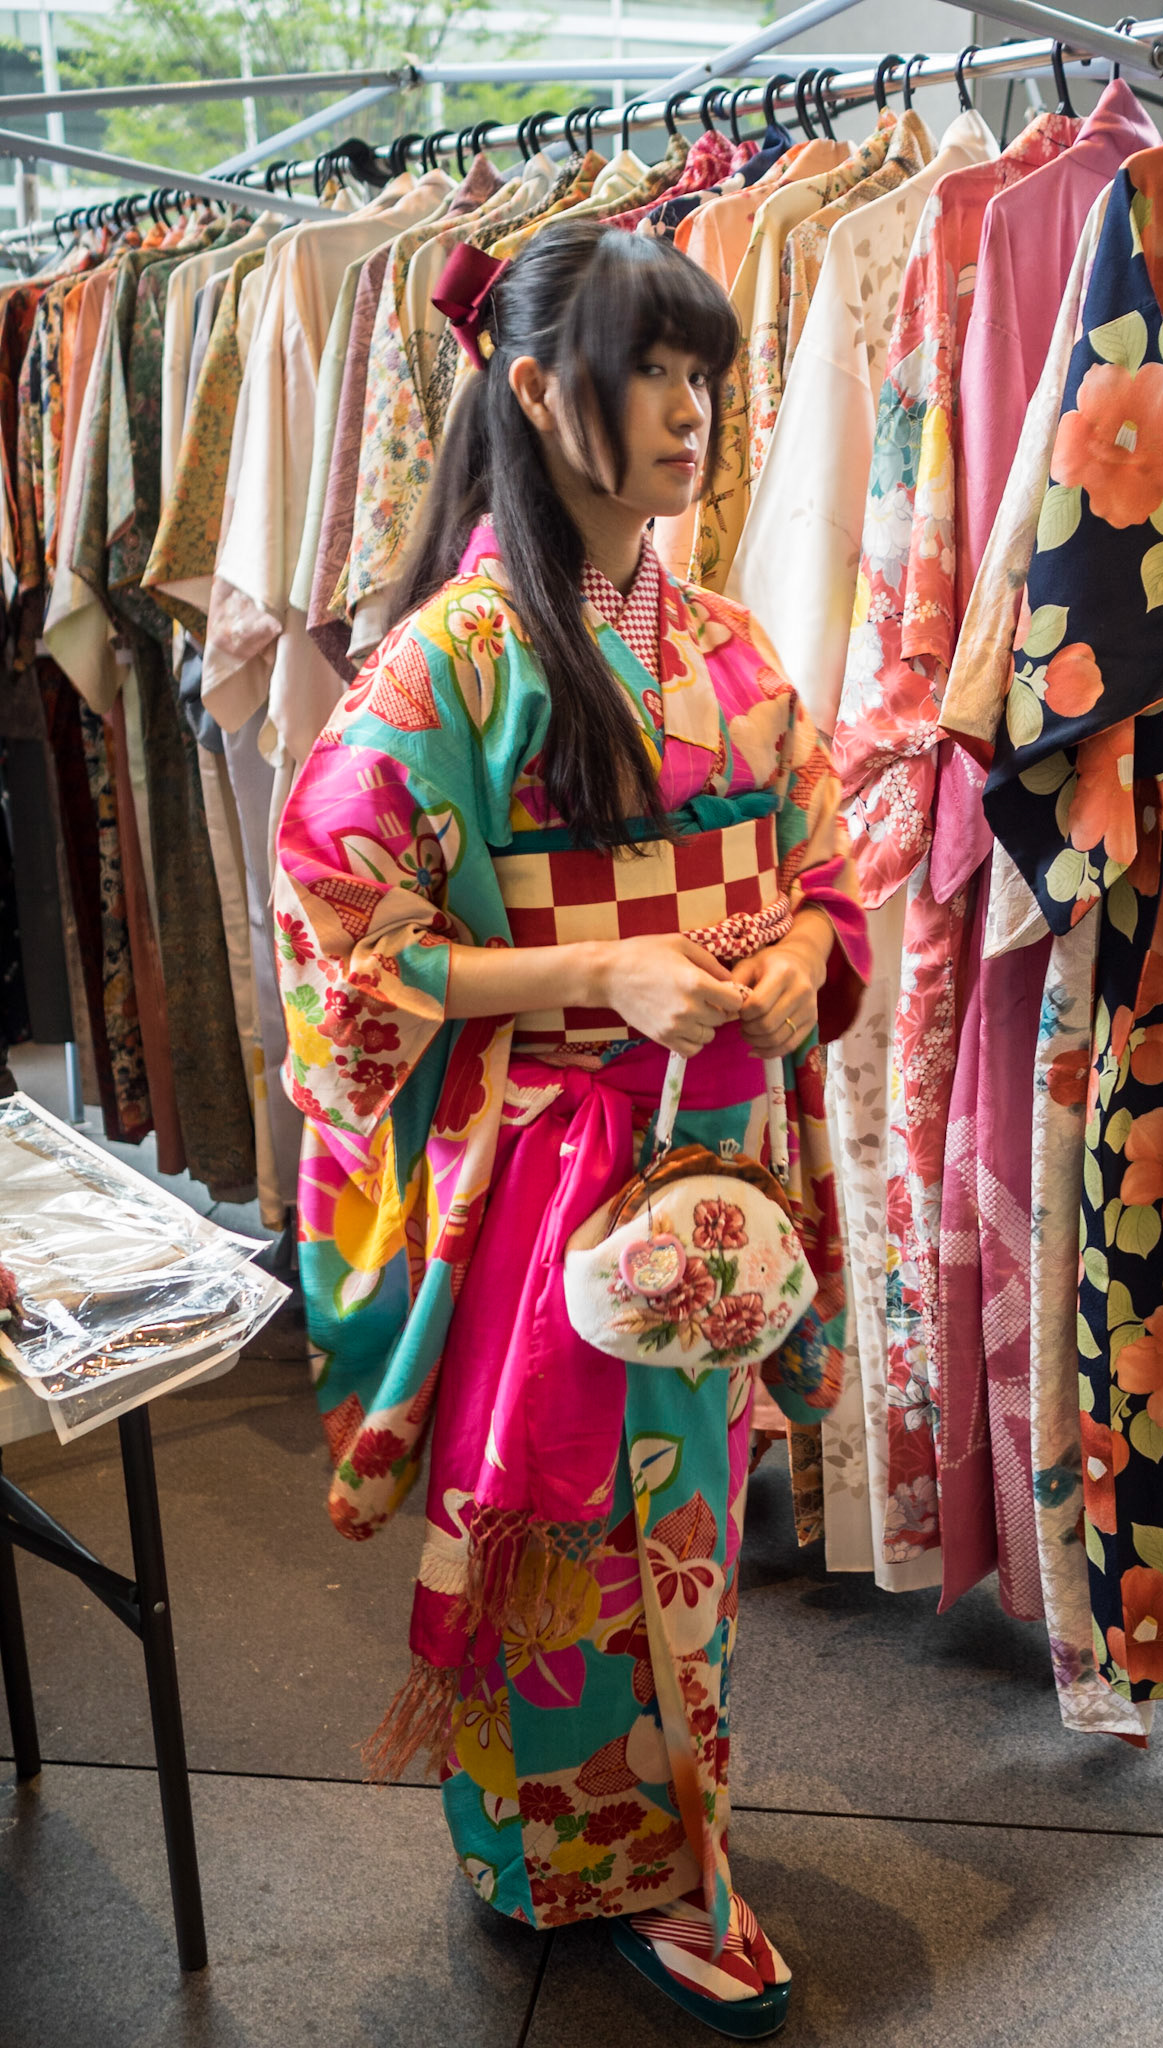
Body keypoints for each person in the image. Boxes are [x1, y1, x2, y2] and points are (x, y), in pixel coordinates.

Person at [272, 219, 868, 2040]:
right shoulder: (445, 666)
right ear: (537, 392)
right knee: (565, 1520)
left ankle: (665, 1858)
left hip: (701, 1156)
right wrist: (604, 969)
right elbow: (340, 930)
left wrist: (799, 972)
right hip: (536, 1175)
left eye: (702, 372)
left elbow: (826, 873)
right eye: (648, 371)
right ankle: (560, 1856)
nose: (689, 411)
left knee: (678, 1515)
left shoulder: (738, 656)